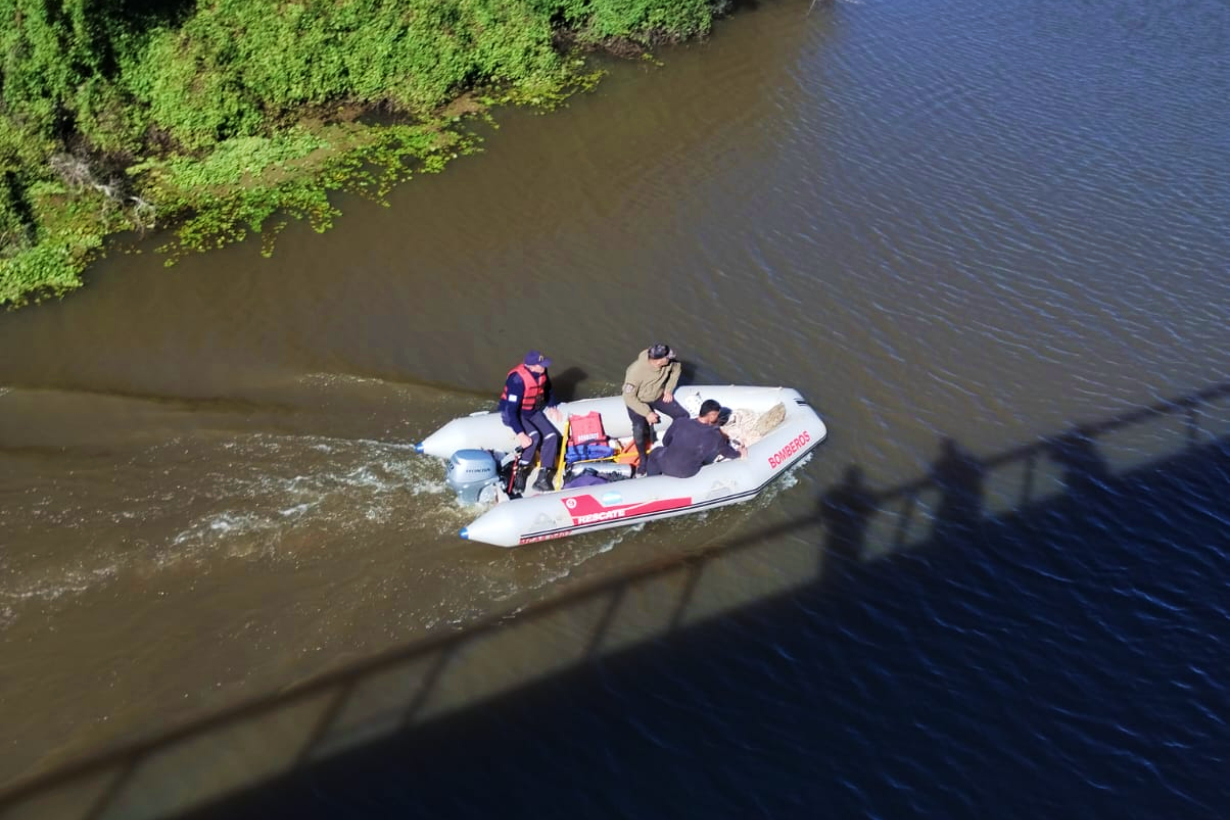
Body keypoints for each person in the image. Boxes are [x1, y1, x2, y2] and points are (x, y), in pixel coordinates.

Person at [499, 350, 561, 494]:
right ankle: (522, 470)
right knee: (533, 437)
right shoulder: (517, 380)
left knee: (551, 436)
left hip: (532, 410)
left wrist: (552, 405)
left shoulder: (542, 373)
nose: (544, 367)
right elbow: (510, 410)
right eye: (541, 365)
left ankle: (543, 477)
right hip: (515, 414)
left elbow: (549, 390)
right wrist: (520, 434)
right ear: (531, 366)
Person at [623, 342, 688, 475]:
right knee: (638, 429)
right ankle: (643, 459)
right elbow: (628, 397)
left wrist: (669, 390)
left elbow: (676, 370)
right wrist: (647, 413)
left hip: (658, 395)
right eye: (667, 357)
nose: (670, 359)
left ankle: (669, 444)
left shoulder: (670, 362)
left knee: (682, 416)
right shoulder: (636, 372)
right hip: (639, 400)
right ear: (658, 361)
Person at [645, 399, 746, 479]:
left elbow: (665, 442)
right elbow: (727, 453)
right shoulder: (715, 435)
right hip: (687, 473)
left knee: (656, 452)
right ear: (711, 415)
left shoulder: (680, 422)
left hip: (666, 466)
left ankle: (652, 480)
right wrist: (739, 453)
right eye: (717, 415)